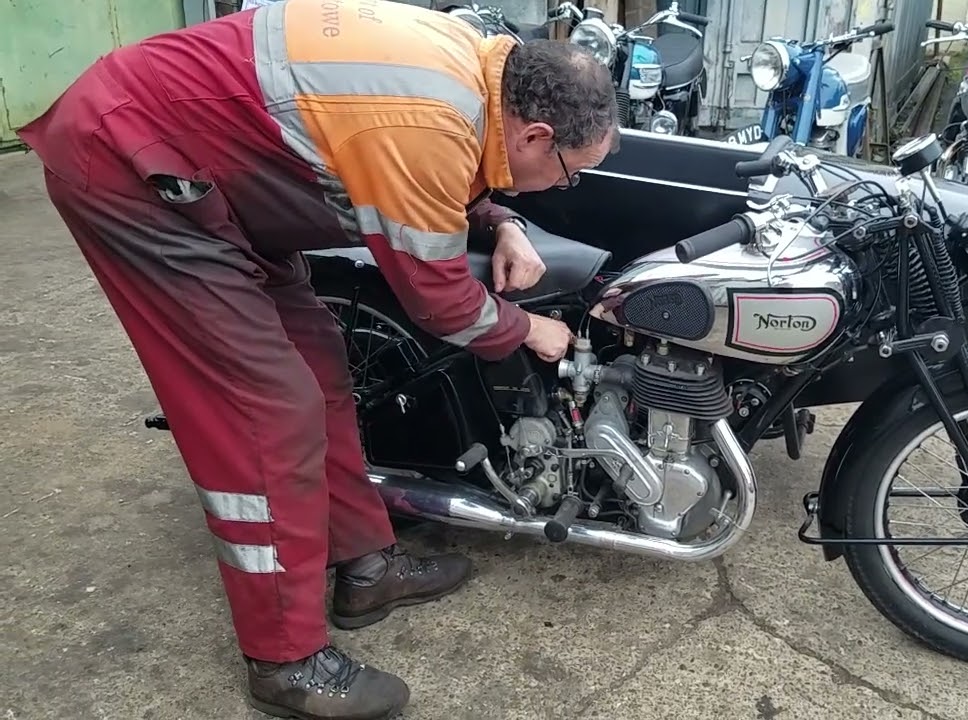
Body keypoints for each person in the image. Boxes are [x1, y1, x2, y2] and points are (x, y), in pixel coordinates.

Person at [16, 0, 618, 717]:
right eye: (568, 173)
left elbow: (420, 161)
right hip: (133, 168)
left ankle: (366, 567)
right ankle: (284, 661)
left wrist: (503, 218)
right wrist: (525, 330)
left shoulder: (478, 70)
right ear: (536, 132)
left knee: (320, 364)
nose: (563, 187)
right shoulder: (426, 120)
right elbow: (439, 298)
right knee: (268, 413)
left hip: (218, 176)